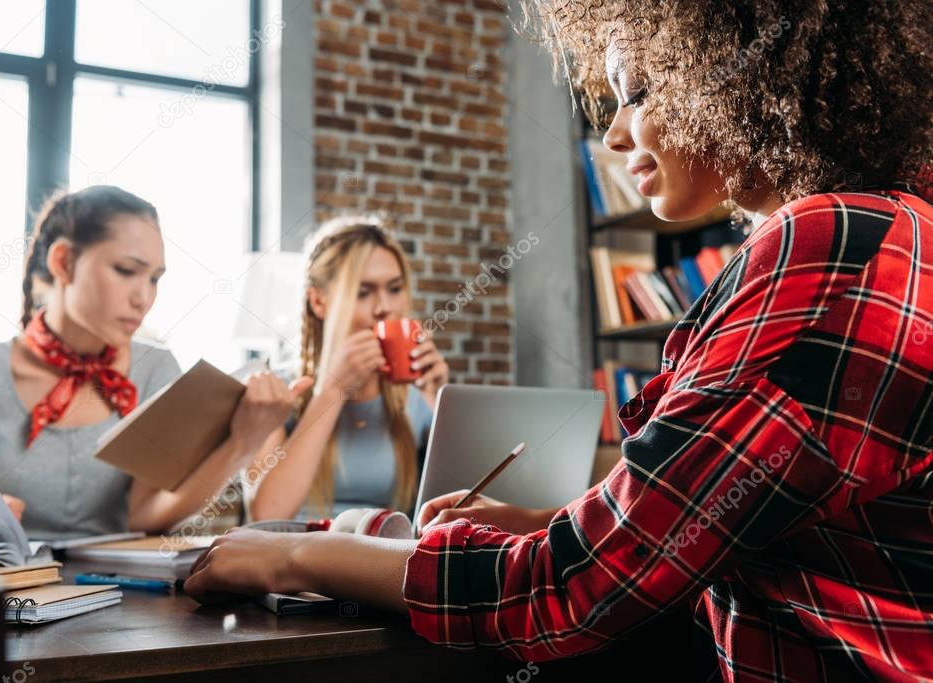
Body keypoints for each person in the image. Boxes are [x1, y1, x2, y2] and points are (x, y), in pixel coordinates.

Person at [185, 2, 933, 679]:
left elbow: (569, 590)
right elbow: (728, 531)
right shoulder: (898, 234)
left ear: (740, 77)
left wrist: (292, 553)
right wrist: (553, 524)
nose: (610, 133)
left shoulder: (832, 243)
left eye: (634, 91)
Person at [0, 185, 311, 539]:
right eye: (126, 271)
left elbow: (147, 516)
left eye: (155, 278)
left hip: (121, 598)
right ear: (63, 262)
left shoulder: (156, 370)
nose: (144, 298)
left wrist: (245, 443)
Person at [245, 216, 448, 520]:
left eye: (394, 289)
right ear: (318, 302)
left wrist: (439, 402)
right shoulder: (277, 391)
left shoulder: (416, 397)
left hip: (379, 557)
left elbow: (464, 512)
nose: (383, 308)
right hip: (293, 553)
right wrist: (332, 390)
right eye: (362, 292)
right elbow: (265, 516)